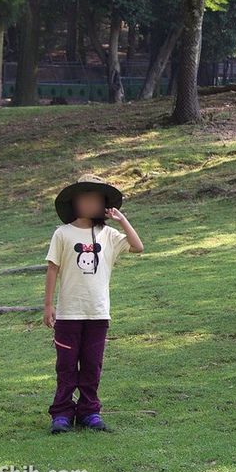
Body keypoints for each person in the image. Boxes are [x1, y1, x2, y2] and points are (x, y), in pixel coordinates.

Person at [44, 174, 144, 433]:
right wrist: (48, 305)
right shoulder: (62, 234)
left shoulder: (109, 235)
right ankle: (62, 413)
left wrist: (123, 221)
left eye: (96, 199)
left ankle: (89, 411)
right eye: (85, 198)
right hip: (68, 314)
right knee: (66, 366)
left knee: (92, 365)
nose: (90, 204)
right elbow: (52, 269)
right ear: (74, 203)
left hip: (98, 313)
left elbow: (138, 247)